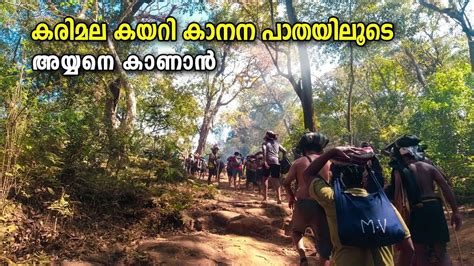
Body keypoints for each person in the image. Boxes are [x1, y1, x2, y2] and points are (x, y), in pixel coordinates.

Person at [304, 146, 413, 266]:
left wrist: (331, 152)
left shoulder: (333, 201)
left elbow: (308, 174)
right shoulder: (385, 206)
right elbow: (409, 249)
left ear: (336, 177)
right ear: (364, 179)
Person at [386, 135, 462, 266]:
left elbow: (398, 196)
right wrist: (456, 211)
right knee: (442, 253)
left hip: (417, 211)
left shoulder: (399, 170)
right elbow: (446, 187)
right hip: (434, 208)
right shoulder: (429, 166)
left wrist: (399, 221)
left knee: (420, 254)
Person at [282, 132, 332, 266]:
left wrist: (291, 196)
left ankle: (303, 257)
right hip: (321, 204)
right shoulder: (328, 163)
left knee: (296, 232)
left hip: (302, 203)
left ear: (304, 149)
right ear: (321, 148)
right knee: (324, 246)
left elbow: (286, 182)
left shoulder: (299, 162)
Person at [262, 131, 287, 203]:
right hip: (276, 161)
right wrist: (283, 159)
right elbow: (284, 151)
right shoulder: (277, 144)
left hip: (268, 161)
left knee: (264, 179)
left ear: (267, 137)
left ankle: (265, 197)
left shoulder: (265, 143)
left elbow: (264, 150)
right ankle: (279, 198)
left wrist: (265, 161)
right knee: (276, 179)